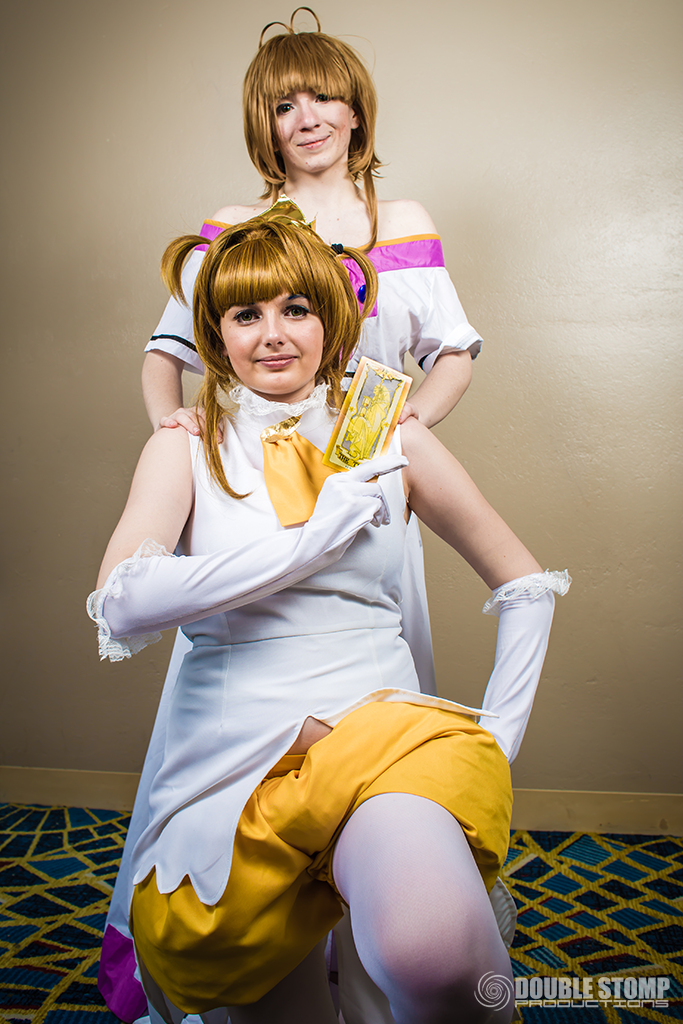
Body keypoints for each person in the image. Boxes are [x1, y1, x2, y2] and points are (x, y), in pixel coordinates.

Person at [88, 210, 569, 1024]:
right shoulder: (185, 442)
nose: (273, 334)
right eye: (246, 314)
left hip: (380, 744)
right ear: (217, 334)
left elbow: (524, 582)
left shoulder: (382, 431)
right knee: (274, 1003)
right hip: (229, 769)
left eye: (296, 309)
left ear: (330, 320)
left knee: (436, 958)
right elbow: (122, 603)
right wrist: (307, 542)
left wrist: (496, 738)